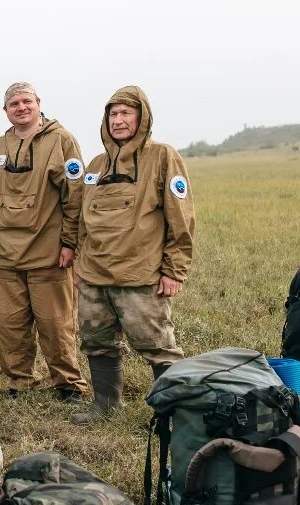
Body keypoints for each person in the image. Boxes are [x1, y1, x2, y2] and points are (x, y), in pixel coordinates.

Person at [70, 85, 195, 425]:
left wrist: (174, 270)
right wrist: (80, 263)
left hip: (140, 274)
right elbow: (84, 218)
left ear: (142, 117)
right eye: (113, 113)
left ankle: (171, 414)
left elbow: (180, 219)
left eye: (126, 113)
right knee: (96, 341)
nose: (119, 120)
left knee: (157, 345)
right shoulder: (96, 164)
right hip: (94, 274)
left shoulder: (163, 156)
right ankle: (105, 405)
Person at [0, 82, 89, 402]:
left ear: (38, 103)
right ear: (5, 111)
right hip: (6, 254)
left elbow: (76, 195)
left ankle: (67, 383)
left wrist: (70, 242)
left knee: (55, 322)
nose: (21, 107)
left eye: (26, 101)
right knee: (10, 323)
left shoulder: (62, 140)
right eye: (13, 103)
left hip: (48, 251)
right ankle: (19, 381)